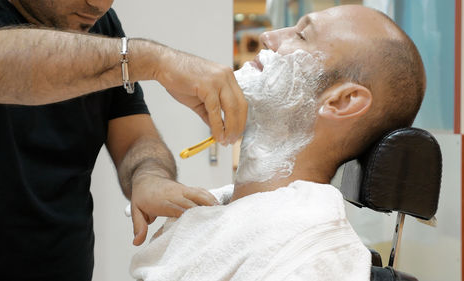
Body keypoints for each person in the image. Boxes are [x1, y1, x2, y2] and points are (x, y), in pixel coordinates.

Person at [130, 5, 425, 281]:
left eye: (301, 35)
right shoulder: (212, 214)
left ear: (342, 101)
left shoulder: (314, 255)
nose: (267, 36)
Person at [0, 0, 247, 280]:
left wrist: (149, 176)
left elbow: (135, 139)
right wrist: (151, 60)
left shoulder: (101, 25)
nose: (99, 4)